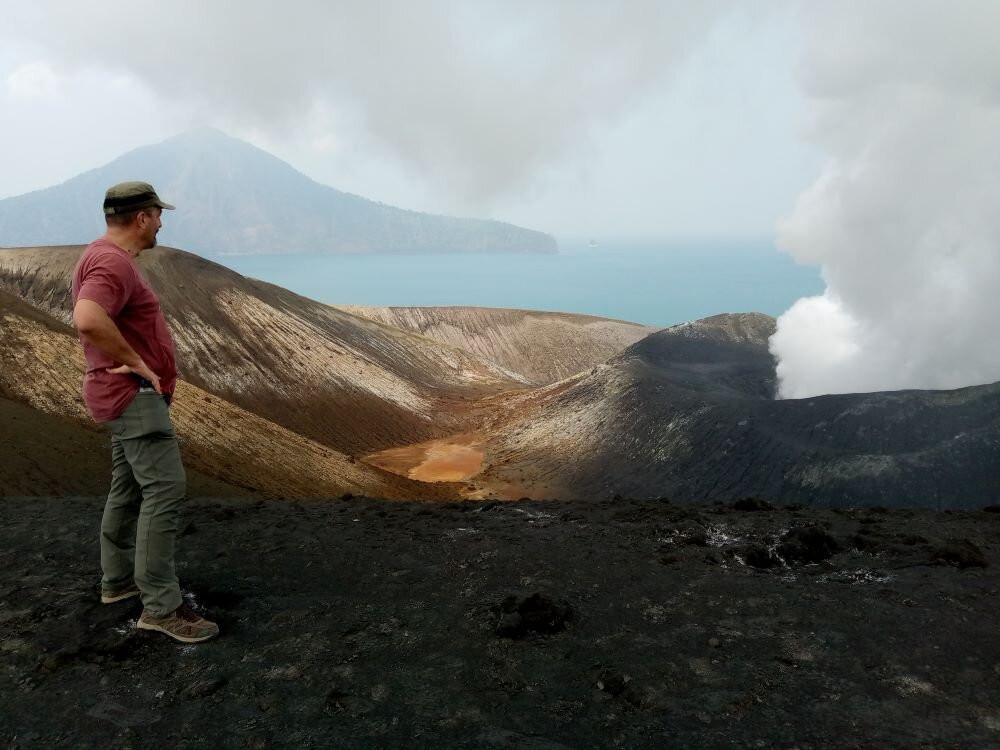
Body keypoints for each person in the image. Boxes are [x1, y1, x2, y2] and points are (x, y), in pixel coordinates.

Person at [71, 181, 218, 644]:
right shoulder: (113, 262)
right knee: (165, 491)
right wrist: (137, 362)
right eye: (157, 214)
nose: (161, 222)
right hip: (133, 396)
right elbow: (89, 318)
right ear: (141, 218)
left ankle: (117, 582)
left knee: (129, 487)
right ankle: (161, 606)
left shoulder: (101, 255)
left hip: (119, 395)